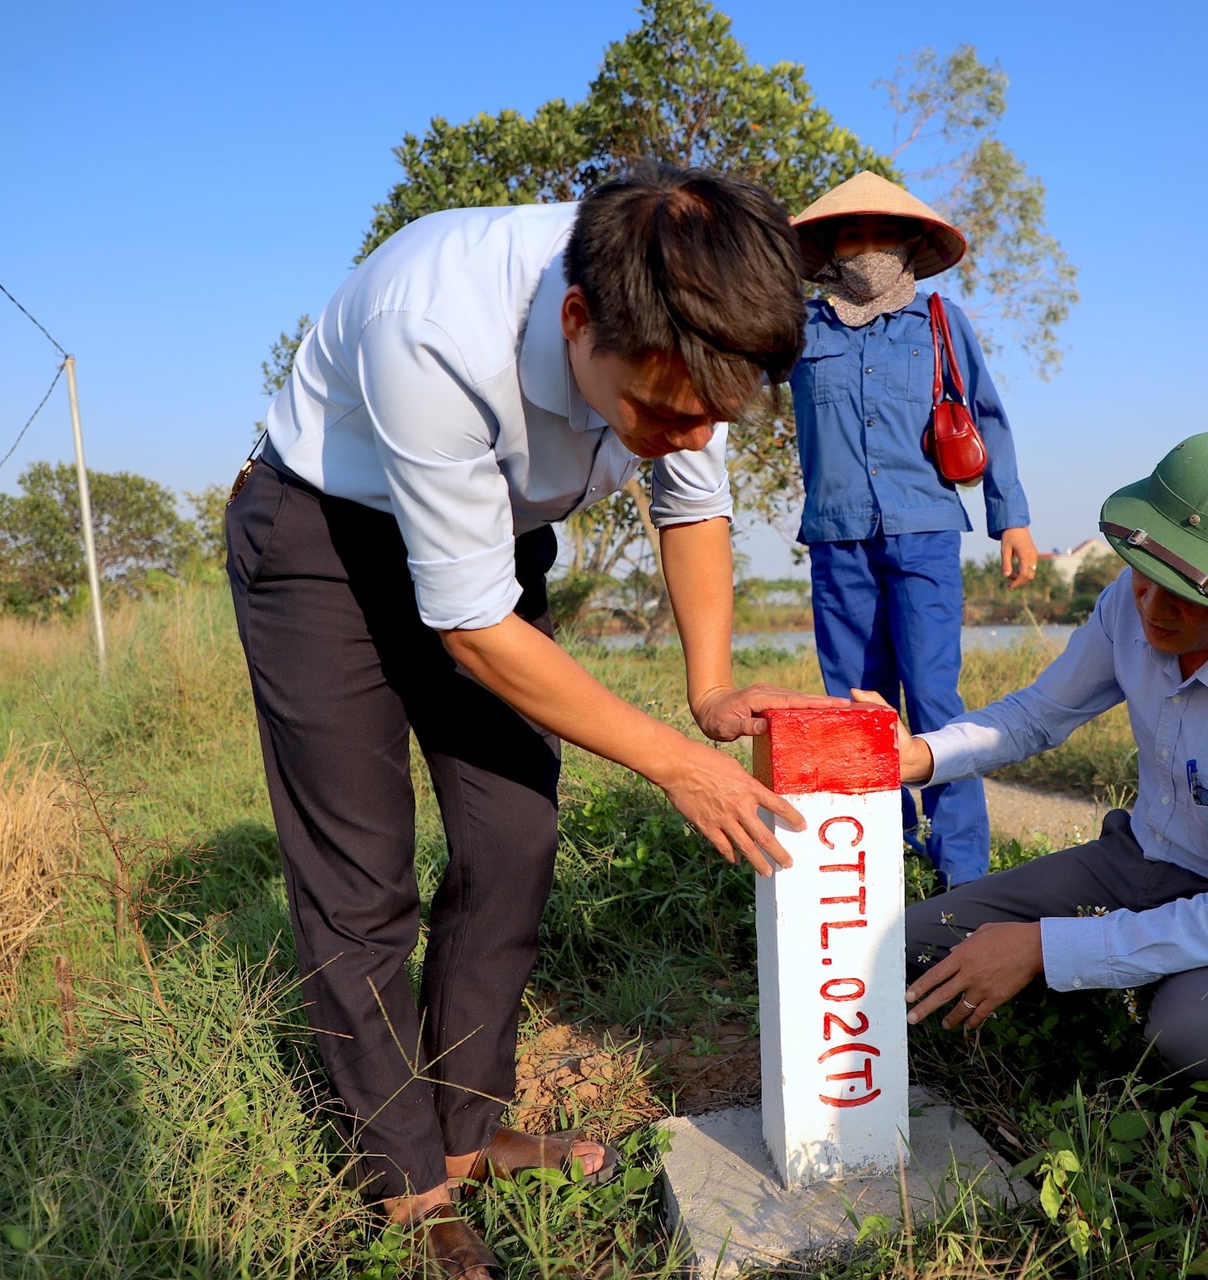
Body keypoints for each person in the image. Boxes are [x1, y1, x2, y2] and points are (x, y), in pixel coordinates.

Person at [228, 163, 839, 1278]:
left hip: (492, 543)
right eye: (659, 409)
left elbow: (691, 503)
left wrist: (706, 693)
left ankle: (466, 1132)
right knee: (361, 878)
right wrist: (673, 765)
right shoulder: (437, 320)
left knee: (512, 836)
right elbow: (467, 627)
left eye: (710, 414)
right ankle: (408, 1188)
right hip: (325, 541)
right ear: (576, 321)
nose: (683, 432)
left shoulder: (688, 324)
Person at [864, 430, 1208, 1081]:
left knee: (1197, 1035)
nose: (1151, 607)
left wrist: (1044, 948)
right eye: (1144, 575)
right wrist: (918, 756)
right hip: (1145, 857)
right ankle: (1134, 972)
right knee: (909, 942)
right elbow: (1038, 715)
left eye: (1186, 591)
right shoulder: (1131, 603)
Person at [788, 171, 1038, 888]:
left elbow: (986, 415)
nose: (866, 248)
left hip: (925, 531)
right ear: (830, 249)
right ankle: (878, 858)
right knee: (854, 705)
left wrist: (1010, 518)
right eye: (851, 235)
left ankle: (964, 876)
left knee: (934, 699)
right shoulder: (800, 328)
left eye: (880, 235)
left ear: (908, 244)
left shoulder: (940, 321)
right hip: (837, 538)